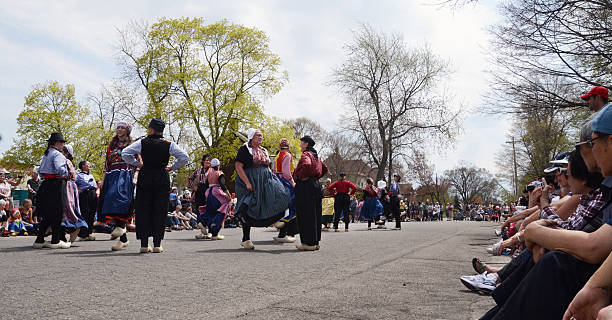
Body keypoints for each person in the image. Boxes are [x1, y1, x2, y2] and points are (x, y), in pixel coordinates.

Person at [122, 118, 189, 253]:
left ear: (151, 129)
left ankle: (144, 244)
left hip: (146, 175)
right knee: (160, 209)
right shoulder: (168, 144)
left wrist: (136, 163)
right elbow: (184, 157)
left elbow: (125, 153)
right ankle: (157, 244)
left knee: (143, 208)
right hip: (161, 175)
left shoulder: (142, 142)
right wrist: (172, 167)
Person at [234, 128, 290, 250]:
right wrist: (247, 182)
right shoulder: (244, 149)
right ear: (251, 137)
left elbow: (268, 167)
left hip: (265, 181)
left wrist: (273, 180)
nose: (261, 137)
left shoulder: (263, 150)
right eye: (258, 135)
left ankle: (278, 220)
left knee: (282, 195)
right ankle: (246, 238)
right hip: (250, 181)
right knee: (248, 206)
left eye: (261, 136)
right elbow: (238, 166)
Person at [97, 122, 138, 251]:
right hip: (112, 175)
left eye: (122, 128)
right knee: (110, 199)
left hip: (126, 175)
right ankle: (122, 237)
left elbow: (139, 163)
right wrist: (103, 180)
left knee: (121, 200)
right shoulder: (111, 146)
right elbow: (106, 165)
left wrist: (135, 176)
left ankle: (121, 229)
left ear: (127, 130)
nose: (119, 130)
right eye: (118, 128)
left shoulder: (133, 145)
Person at [33, 133, 71, 249]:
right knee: (57, 212)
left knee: (47, 214)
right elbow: (60, 169)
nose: (62, 145)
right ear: (58, 143)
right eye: (62, 143)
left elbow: (40, 171)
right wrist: (66, 174)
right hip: (56, 185)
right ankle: (55, 240)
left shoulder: (46, 154)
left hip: (45, 184)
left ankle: (39, 240)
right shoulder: (58, 155)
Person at [293, 135, 327, 251]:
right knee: (316, 214)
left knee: (306, 214)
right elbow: (325, 169)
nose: (300, 145)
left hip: (306, 187)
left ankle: (308, 243)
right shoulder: (317, 156)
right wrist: (315, 177)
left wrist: (302, 177)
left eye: (301, 143)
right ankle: (315, 242)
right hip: (316, 186)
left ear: (306, 144)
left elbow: (306, 166)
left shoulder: (306, 155)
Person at [60, 145, 88, 243]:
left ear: (67, 153)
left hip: (67, 186)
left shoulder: (65, 161)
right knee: (70, 207)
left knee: (67, 208)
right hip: (70, 186)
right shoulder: (69, 162)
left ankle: (75, 226)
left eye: (62, 151)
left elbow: (70, 174)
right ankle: (67, 231)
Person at [274, 138, 298, 243]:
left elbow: (275, 171)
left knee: (282, 206)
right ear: (288, 146)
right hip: (286, 181)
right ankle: (290, 232)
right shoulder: (287, 155)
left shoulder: (278, 156)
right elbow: (287, 173)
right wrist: (293, 183)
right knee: (292, 206)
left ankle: (282, 233)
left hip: (277, 181)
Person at [201, 158, 232, 240]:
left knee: (211, 211)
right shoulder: (219, 173)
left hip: (209, 192)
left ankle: (204, 223)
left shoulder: (209, 174)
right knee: (224, 206)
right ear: (218, 165)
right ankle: (215, 233)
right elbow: (222, 185)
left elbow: (207, 184)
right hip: (217, 192)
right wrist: (229, 196)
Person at [189, 154, 211, 238]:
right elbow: (190, 179)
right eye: (206, 160)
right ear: (202, 161)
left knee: (208, 209)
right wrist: (193, 187)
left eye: (209, 160)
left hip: (208, 190)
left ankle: (209, 231)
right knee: (199, 210)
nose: (208, 162)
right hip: (199, 191)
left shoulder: (212, 171)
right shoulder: (197, 171)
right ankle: (202, 231)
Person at [75, 160, 97, 241]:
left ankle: (89, 233)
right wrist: (78, 190)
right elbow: (73, 184)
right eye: (88, 164)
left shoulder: (91, 175)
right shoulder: (78, 175)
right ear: (83, 166)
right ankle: (83, 234)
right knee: (85, 213)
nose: (90, 165)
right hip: (84, 194)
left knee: (92, 213)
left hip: (93, 193)